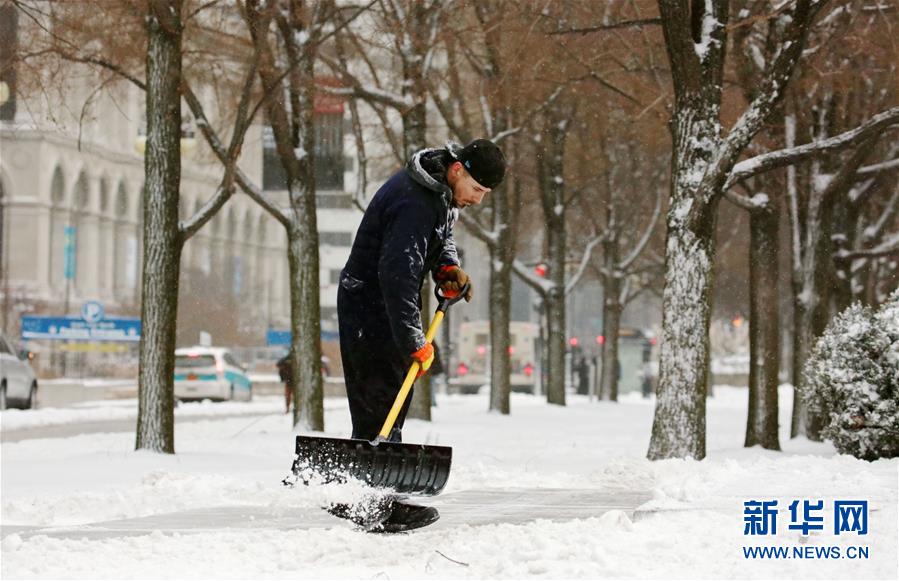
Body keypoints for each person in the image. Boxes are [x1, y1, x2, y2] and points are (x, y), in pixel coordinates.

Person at [335, 138, 506, 532]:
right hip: (370, 306)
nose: (478, 200)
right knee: (379, 400)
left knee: (393, 397)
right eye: (477, 190)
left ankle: (374, 495)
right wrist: (414, 340)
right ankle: (370, 503)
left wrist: (447, 267)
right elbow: (397, 275)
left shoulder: (441, 193)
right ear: (458, 169)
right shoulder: (415, 201)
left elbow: (441, 236)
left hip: (385, 305)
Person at [276, 349, 294, 414]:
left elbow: (278, 364)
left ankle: (288, 408)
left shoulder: (285, 360)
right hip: (295, 381)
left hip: (288, 380)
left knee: (288, 395)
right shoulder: (297, 360)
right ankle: (291, 408)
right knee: (293, 395)